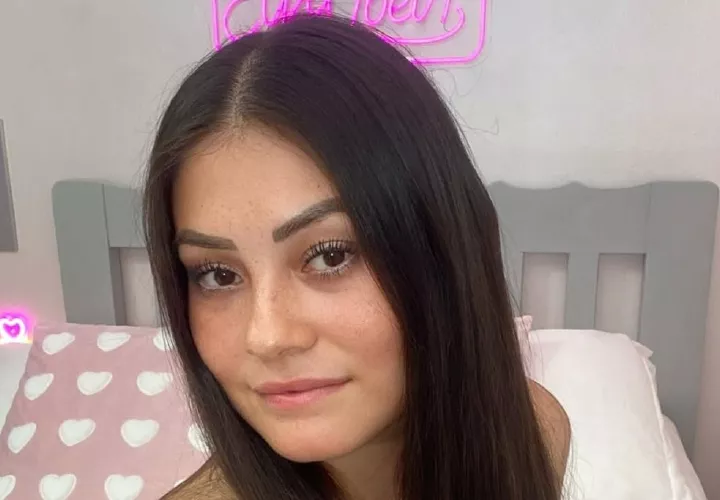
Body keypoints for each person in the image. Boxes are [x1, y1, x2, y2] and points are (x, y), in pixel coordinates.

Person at [143, 12, 570, 500]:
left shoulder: (532, 434)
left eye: (329, 256)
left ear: (440, 255)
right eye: (218, 275)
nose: (267, 337)